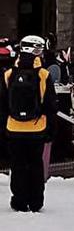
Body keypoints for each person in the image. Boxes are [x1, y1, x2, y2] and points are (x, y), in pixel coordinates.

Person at [0, 36, 57, 212]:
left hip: (13, 128)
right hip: (37, 128)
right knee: (35, 164)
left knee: (17, 165)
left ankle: (18, 200)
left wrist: (4, 127)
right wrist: (50, 130)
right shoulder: (44, 74)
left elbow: (2, 105)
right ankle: (36, 201)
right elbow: (50, 106)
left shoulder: (8, 74)